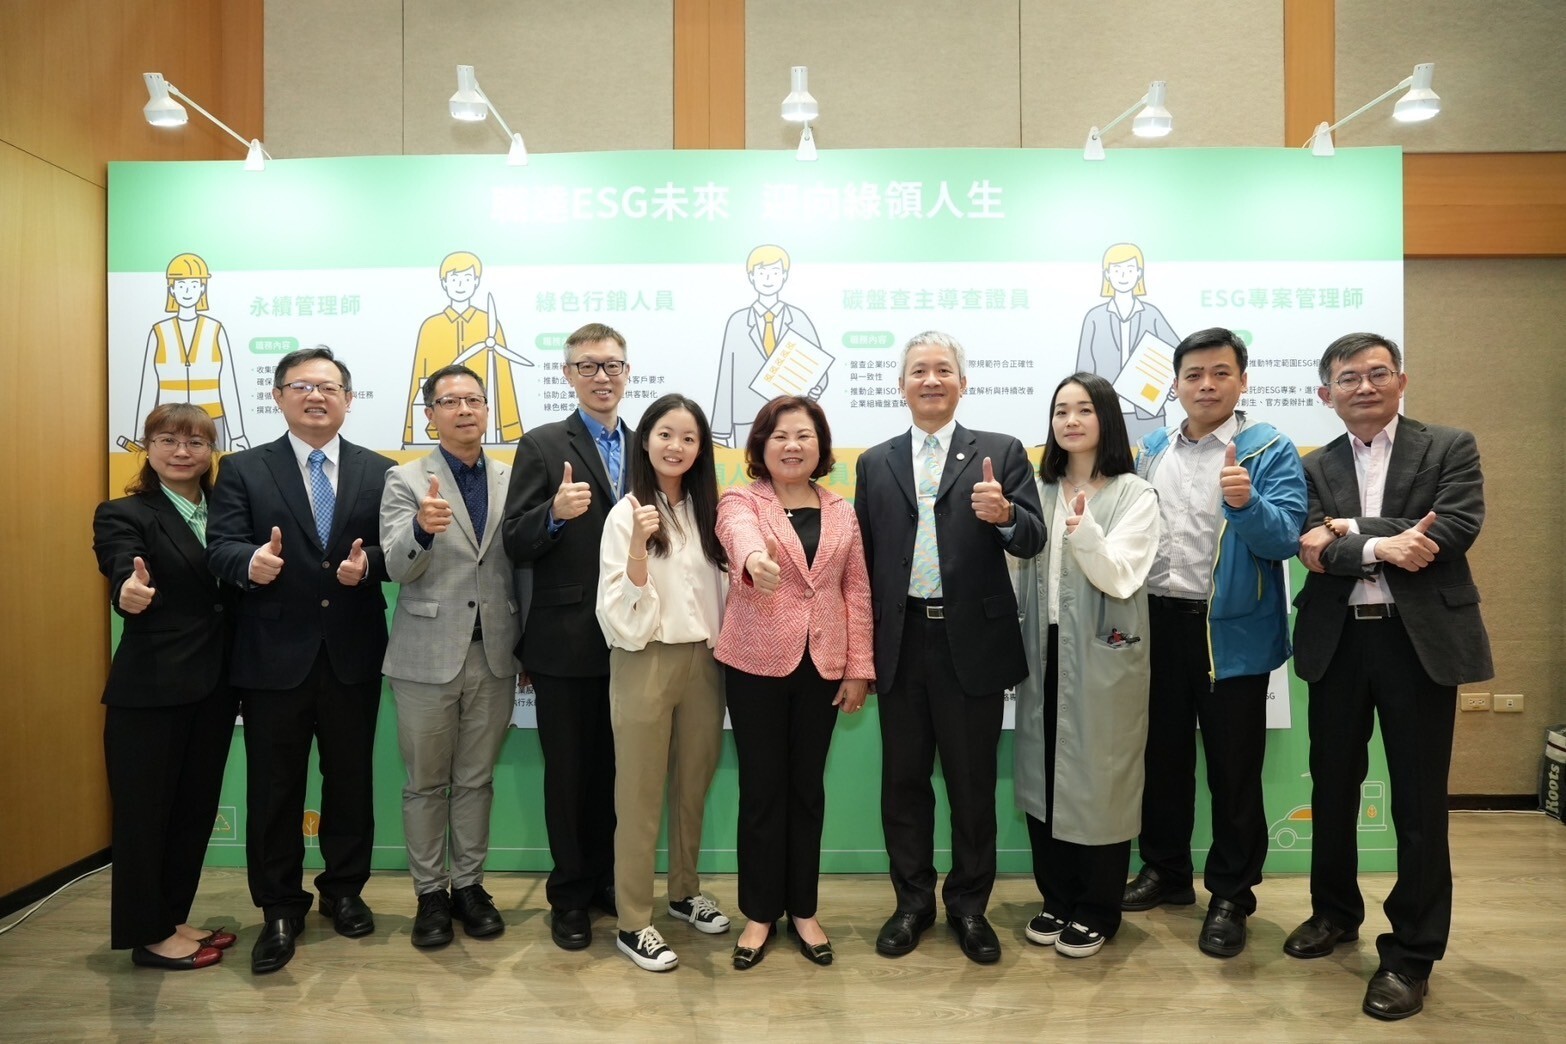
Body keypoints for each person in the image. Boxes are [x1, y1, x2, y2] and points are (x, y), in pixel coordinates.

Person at [1288, 333, 1492, 1021]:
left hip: (1418, 644)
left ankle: (1411, 953)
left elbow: (1452, 528)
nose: (1364, 386)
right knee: (1334, 788)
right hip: (1338, 641)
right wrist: (1380, 543)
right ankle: (1333, 913)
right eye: (1349, 378)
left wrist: (1350, 531)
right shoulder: (1313, 466)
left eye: (1378, 373)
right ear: (1326, 394)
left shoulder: (1448, 446)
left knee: (1418, 803)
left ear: (1402, 381)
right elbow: (1311, 545)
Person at [853, 330, 1045, 964]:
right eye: (918, 371)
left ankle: (969, 906)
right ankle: (911, 904)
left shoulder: (1000, 452)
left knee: (970, 784)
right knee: (903, 783)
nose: (930, 380)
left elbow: (1033, 540)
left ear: (964, 382)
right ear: (901, 385)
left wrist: (1007, 516)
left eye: (942, 370)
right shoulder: (874, 461)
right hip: (901, 640)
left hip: (973, 643)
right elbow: (865, 563)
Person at [206, 346, 395, 974]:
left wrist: (370, 569)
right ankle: (279, 907)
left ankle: (343, 892)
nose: (316, 397)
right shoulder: (243, 469)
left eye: (329, 387)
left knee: (350, 782)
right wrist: (248, 564)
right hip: (271, 657)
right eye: (301, 386)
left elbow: (398, 553)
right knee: (274, 788)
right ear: (279, 396)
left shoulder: (380, 471)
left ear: (348, 398)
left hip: (351, 654)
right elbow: (222, 546)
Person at [1122, 327, 1307, 959]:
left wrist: (1248, 504)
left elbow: (1287, 539)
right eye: (1194, 374)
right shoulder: (1150, 449)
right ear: (1174, 384)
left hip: (1230, 634)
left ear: (1242, 381)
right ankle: (1166, 871)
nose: (1206, 384)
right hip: (1155, 623)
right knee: (1161, 761)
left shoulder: (1269, 449)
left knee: (1234, 771)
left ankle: (1232, 894)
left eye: (1220, 373)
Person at [714, 395, 874, 970]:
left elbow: (856, 589)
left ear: (820, 447)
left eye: (804, 436)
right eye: (780, 435)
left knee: (807, 790)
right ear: (761, 445)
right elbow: (736, 534)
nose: (792, 446)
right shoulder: (741, 499)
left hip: (823, 665)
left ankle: (803, 909)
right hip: (755, 663)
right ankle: (759, 913)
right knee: (762, 791)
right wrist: (754, 560)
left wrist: (859, 667)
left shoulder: (841, 510)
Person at [1013, 373, 1160, 959]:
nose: (1070, 421)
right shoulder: (1038, 489)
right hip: (1039, 650)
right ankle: (1056, 898)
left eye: (1083, 410)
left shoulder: (1134, 493)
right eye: (1060, 411)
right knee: (1043, 774)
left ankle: (1099, 906)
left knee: (1101, 778)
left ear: (1106, 418)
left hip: (1103, 652)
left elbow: (1121, 572)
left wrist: (1085, 528)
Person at [92, 403, 238, 970]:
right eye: (168, 439)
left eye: (196, 442)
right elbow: (120, 566)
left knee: (193, 809)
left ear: (211, 452)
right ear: (148, 448)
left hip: (216, 686)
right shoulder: (124, 511)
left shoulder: (225, 508)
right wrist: (127, 591)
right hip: (151, 689)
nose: (182, 451)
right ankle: (147, 935)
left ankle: (174, 916)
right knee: (144, 814)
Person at [380, 364, 520, 948]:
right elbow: (394, 566)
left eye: (475, 400)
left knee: (475, 780)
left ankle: (468, 886)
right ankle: (429, 894)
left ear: (487, 410)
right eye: (450, 401)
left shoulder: (514, 478)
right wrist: (421, 529)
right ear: (430, 413)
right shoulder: (405, 480)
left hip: (495, 655)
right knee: (424, 783)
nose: (465, 410)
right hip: (425, 656)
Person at [501, 323, 631, 951]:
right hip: (566, 637)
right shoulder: (544, 443)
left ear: (627, 373)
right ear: (568, 375)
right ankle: (571, 893)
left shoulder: (652, 443)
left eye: (611, 365)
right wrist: (554, 514)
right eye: (588, 366)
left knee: (620, 772)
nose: (601, 376)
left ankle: (610, 880)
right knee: (570, 773)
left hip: (639, 639)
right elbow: (514, 539)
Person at [596, 393, 731, 972]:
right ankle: (633, 921)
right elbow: (618, 614)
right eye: (665, 435)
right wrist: (635, 550)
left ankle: (683, 890)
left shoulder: (711, 510)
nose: (676, 447)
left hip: (706, 660)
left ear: (701, 449)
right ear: (645, 441)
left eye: (689, 438)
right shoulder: (627, 511)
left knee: (693, 784)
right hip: (644, 657)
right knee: (640, 794)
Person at [710, 244, 827, 448]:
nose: (768, 278)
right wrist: (720, 432)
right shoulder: (737, 322)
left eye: (774, 272)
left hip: (793, 421)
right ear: (751, 276)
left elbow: (819, 371)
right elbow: (726, 377)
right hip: (747, 419)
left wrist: (809, 395)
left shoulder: (799, 319)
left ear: (784, 276)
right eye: (761, 272)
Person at [404, 251, 524, 447]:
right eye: (454, 278)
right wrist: (411, 433)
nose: (461, 284)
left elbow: (503, 381)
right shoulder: (431, 326)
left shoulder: (490, 323)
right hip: (437, 435)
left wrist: (511, 431)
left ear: (476, 282)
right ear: (444, 282)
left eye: (467, 278)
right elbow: (419, 382)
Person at [133, 252, 249, 451]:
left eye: (194, 285)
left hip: (212, 421)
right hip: (166, 422)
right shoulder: (159, 331)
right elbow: (148, 386)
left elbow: (228, 384)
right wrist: (139, 435)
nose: (188, 291)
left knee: (217, 476)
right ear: (172, 289)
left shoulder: (215, 329)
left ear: (203, 288)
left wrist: (237, 434)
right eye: (181, 285)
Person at [1076, 243, 1181, 443]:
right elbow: (1083, 371)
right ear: (1107, 274)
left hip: (1148, 412)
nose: (1123, 275)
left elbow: (1182, 356)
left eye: (1130, 269)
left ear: (1139, 273)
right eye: (1117, 269)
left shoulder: (1152, 314)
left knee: (1151, 468)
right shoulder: (1095, 317)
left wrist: (1174, 386)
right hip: (1104, 414)